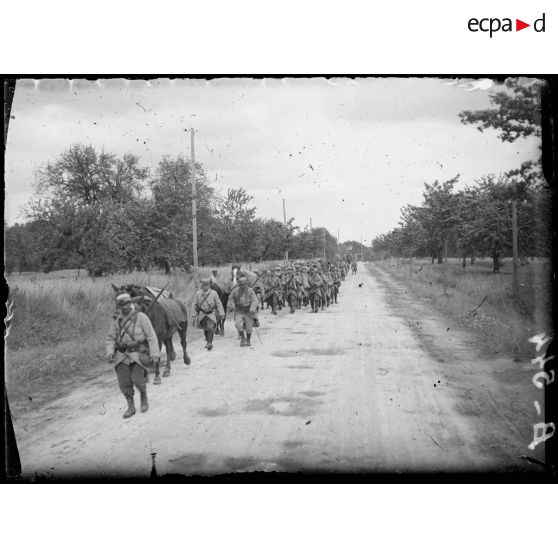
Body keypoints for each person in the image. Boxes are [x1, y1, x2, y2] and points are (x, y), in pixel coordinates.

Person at [106, 292, 160, 419]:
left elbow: (151, 336)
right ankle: (130, 406)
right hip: (121, 355)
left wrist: (155, 354)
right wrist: (110, 352)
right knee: (123, 382)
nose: (124, 307)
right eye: (121, 305)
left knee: (138, 380)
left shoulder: (141, 317)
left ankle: (143, 395)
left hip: (138, 353)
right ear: (118, 307)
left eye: (126, 304)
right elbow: (110, 338)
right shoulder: (116, 321)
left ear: (131, 303)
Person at [227, 275, 259, 346]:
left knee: (249, 327)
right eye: (241, 284)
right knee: (238, 324)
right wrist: (232, 305)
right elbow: (230, 298)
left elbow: (255, 300)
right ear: (239, 284)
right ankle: (242, 338)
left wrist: (252, 308)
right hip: (239, 311)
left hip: (248, 311)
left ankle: (248, 340)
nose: (243, 286)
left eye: (244, 284)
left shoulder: (250, 291)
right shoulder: (235, 291)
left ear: (246, 284)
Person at [194, 278, 225, 350]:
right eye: (203, 285)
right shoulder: (198, 293)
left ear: (209, 285)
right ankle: (208, 341)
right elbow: (194, 303)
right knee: (205, 329)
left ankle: (210, 343)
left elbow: (218, 303)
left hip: (211, 313)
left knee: (210, 328)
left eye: (206, 285)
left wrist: (221, 313)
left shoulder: (214, 293)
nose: (204, 286)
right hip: (202, 313)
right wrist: (193, 314)